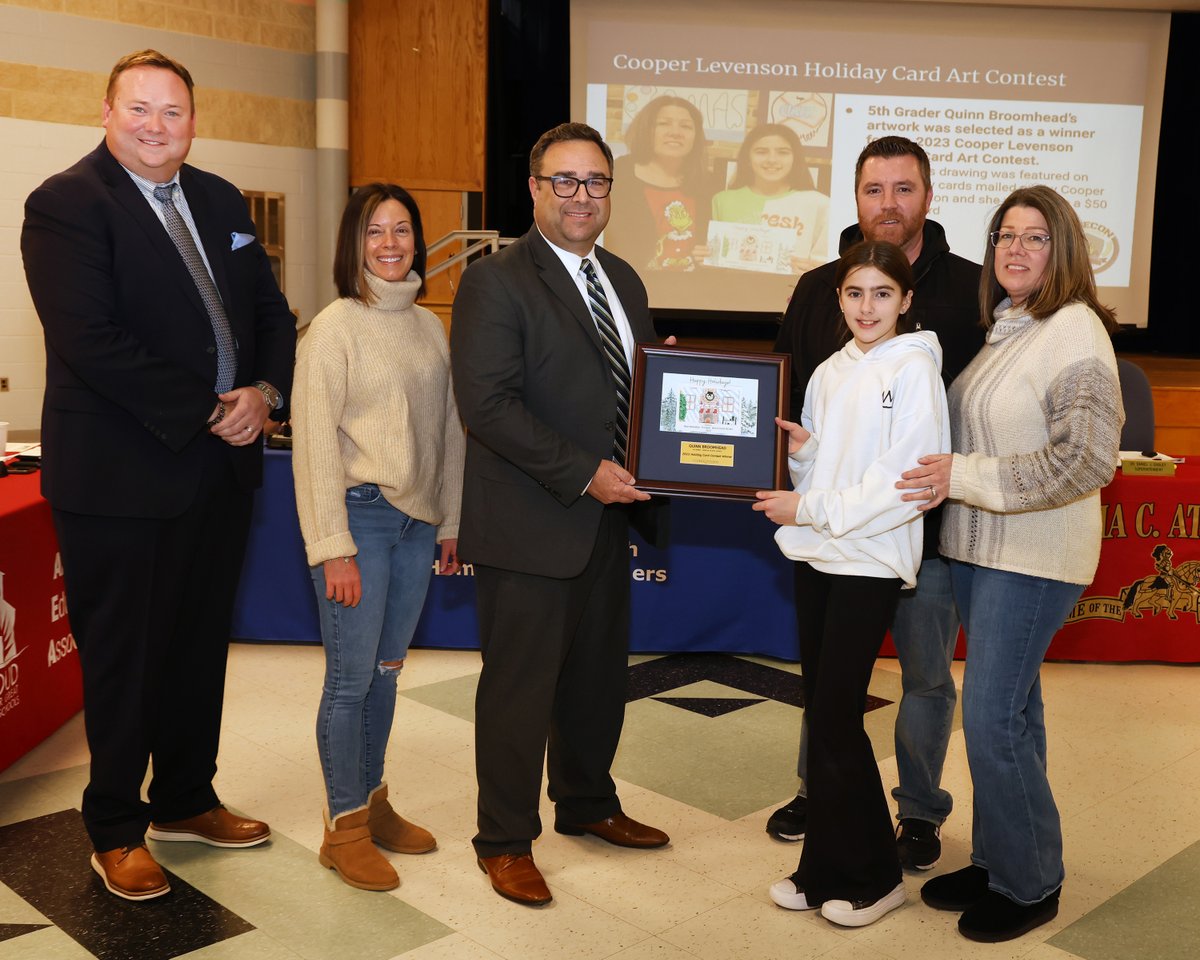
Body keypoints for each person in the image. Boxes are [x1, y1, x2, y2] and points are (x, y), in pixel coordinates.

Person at [20, 49, 295, 901]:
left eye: (171, 111)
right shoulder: (66, 205)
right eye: (137, 108)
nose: (154, 125)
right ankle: (114, 826)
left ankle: (185, 798)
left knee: (194, 648)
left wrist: (266, 391)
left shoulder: (218, 199)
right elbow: (91, 342)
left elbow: (268, 313)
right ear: (106, 114)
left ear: (193, 121)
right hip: (119, 476)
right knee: (124, 660)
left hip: (219, 473)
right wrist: (214, 407)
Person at [451, 122, 670, 907]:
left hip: (609, 522)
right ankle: (504, 841)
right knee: (519, 689)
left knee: (596, 679)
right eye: (566, 181)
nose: (583, 196)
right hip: (533, 520)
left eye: (597, 182)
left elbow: (639, 390)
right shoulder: (496, 280)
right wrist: (587, 475)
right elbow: (488, 406)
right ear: (537, 190)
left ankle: (586, 803)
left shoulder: (626, 279)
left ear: (612, 191)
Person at [900, 185, 1123, 942]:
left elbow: (1086, 459)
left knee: (993, 721)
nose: (1016, 250)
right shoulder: (1009, 327)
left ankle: (1030, 885)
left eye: (1035, 237)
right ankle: (1004, 859)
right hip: (982, 553)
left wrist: (960, 475)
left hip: (1033, 558)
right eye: (1005, 236)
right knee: (1014, 716)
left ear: (1063, 251)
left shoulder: (1074, 330)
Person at [767, 136, 983, 870]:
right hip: (830, 537)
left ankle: (917, 813)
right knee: (830, 696)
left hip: (924, 534)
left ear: (927, 194)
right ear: (855, 198)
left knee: (923, 677)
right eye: (873, 189)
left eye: (903, 188)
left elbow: (918, 457)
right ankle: (819, 800)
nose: (887, 203)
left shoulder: (972, 291)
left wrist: (817, 504)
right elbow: (799, 402)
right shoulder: (817, 295)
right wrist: (797, 453)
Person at [755, 240, 950, 927]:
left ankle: (874, 875)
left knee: (837, 716)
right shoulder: (831, 371)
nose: (868, 307)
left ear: (906, 300)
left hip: (869, 560)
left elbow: (905, 484)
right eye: (854, 293)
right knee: (825, 714)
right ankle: (823, 869)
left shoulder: (917, 369)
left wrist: (809, 505)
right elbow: (830, 472)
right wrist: (807, 460)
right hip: (819, 555)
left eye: (882, 294)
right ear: (837, 299)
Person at [292, 183, 464, 892]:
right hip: (357, 522)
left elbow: (449, 432)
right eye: (374, 232)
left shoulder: (429, 327)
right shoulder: (334, 327)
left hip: (416, 525)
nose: (390, 244)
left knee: (389, 675)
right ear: (352, 244)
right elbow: (312, 445)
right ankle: (343, 827)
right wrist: (332, 543)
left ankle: (373, 798)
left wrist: (449, 520)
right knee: (350, 680)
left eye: (401, 230)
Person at [605, 96, 715, 272]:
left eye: (686, 126)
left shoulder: (707, 182)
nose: (675, 132)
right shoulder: (617, 175)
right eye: (664, 123)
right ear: (646, 130)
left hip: (693, 290)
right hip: (634, 286)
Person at [710, 123, 829, 269]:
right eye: (761, 152)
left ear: (795, 158)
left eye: (783, 152)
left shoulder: (819, 204)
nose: (772, 160)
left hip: (793, 290)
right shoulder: (723, 200)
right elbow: (718, 258)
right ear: (747, 157)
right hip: (734, 288)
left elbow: (825, 265)